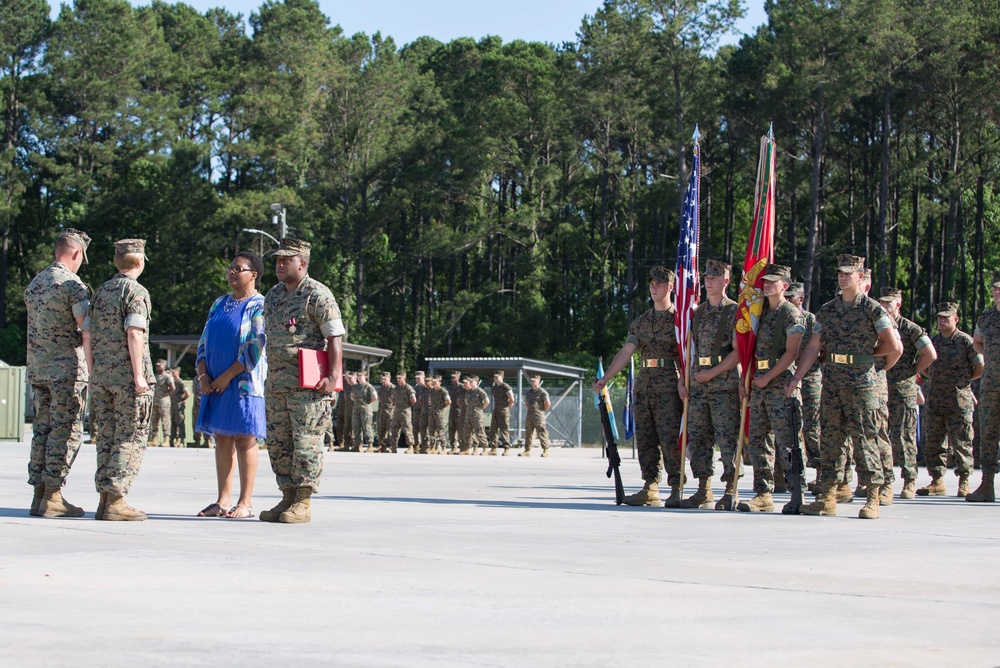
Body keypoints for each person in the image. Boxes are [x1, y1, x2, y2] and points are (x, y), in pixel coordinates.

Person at [790, 255, 902, 519]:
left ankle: (873, 496)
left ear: (860, 277)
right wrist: (797, 377)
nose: (842, 277)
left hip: (862, 384)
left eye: (848, 273)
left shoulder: (872, 309)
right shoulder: (828, 310)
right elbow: (814, 346)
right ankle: (827, 495)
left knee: (865, 439)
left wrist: (871, 359)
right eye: (840, 273)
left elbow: (895, 347)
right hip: (833, 383)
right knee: (831, 440)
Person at [261, 239, 343, 523]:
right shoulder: (272, 295)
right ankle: (287, 496)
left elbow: (334, 336)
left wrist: (333, 376)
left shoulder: (316, 294)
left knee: (306, 442)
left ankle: (303, 501)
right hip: (276, 384)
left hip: (307, 386)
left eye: (286, 260)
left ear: (303, 263)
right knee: (279, 443)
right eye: (277, 260)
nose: (279, 265)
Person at [595, 266, 682, 504]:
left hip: (670, 385)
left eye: (660, 283)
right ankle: (650, 487)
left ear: (671, 287)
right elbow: (626, 351)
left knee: (670, 438)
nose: (655, 287)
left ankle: (676, 487)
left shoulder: (680, 320)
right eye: (652, 283)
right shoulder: (641, 322)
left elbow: (688, 354)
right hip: (644, 386)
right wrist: (606, 378)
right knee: (646, 438)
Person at [24, 228, 93, 518]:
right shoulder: (72, 285)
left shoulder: (35, 283)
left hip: (38, 370)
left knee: (42, 430)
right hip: (66, 370)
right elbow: (86, 327)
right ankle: (53, 495)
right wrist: (94, 368)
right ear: (76, 253)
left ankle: (39, 494)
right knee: (66, 431)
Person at [87, 238, 155, 521]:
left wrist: (93, 372)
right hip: (128, 379)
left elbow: (87, 335)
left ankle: (105, 499)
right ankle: (115, 499)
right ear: (139, 262)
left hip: (102, 376)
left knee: (107, 437)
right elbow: (135, 332)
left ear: (117, 262)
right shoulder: (135, 291)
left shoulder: (101, 292)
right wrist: (139, 375)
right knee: (130, 436)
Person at [195, 251, 267, 519]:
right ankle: (222, 500)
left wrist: (227, 376)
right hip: (213, 383)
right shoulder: (219, 303)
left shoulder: (259, 304)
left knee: (245, 438)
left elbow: (257, 344)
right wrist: (203, 375)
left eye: (239, 269)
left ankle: (245, 502)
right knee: (222, 438)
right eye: (231, 268)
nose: (232, 272)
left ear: (254, 275)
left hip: (242, 384)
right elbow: (203, 342)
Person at [737, 265, 805, 513]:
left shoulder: (791, 315)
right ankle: (763, 493)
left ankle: (796, 490)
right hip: (759, 382)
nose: (766, 285)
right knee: (757, 440)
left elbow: (792, 352)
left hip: (779, 382)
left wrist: (768, 378)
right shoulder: (759, 313)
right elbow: (749, 349)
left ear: (785, 286)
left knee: (787, 439)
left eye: (772, 281)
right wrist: (746, 378)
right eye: (764, 281)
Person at [677, 259, 741, 510]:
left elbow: (738, 353)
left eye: (715, 277)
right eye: (707, 277)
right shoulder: (698, 312)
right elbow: (688, 350)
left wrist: (713, 373)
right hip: (698, 385)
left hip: (723, 383)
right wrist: (684, 380)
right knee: (700, 437)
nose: (708, 281)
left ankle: (730, 489)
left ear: (726, 281)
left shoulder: (735, 311)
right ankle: (704, 488)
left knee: (727, 438)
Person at [918, 302, 982, 497]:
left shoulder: (965, 342)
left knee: (961, 442)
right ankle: (937, 481)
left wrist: (963, 381)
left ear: (956, 319)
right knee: (934, 442)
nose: (942, 320)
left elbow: (979, 367)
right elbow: (925, 366)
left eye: (946, 317)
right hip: (936, 399)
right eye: (939, 317)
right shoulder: (933, 341)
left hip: (958, 400)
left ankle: (964, 481)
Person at [878, 288, 936, 499]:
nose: (884, 307)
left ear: (898, 305)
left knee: (904, 436)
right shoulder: (877, 326)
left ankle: (909, 480)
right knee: (879, 435)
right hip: (879, 388)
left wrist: (912, 370)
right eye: (881, 303)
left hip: (903, 390)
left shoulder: (909, 328)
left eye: (888, 303)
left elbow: (930, 353)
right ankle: (882, 481)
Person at [785, 282, 823, 491]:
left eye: (792, 297)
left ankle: (818, 471)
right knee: (789, 426)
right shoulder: (784, 318)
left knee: (811, 427)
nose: (788, 300)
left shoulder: (811, 320)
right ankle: (786, 471)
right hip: (788, 376)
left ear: (800, 299)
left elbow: (821, 349)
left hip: (809, 380)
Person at [970, 271, 1000, 502]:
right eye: (995, 289)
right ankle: (987, 485)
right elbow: (977, 342)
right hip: (991, 384)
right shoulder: (987, 316)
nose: (997, 292)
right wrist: (989, 356)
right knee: (988, 433)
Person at [520, 374, 552, 457]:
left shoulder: (542, 392)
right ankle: (527, 450)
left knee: (542, 432)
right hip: (530, 415)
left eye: (534, 381)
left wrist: (541, 410)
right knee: (528, 433)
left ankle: (545, 450)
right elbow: (526, 403)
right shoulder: (529, 392)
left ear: (538, 381)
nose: (532, 382)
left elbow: (548, 403)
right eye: (531, 381)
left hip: (539, 416)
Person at [390, 371, 417, 453]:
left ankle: (411, 446)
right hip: (396, 412)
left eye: (400, 378)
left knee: (407, 429)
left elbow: (414, 400)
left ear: (404, 378)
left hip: (405, 412)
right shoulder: (395, 389)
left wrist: (406, 405)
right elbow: (392, 399)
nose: (398, 380)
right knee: (394, 429)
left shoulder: (408, 388)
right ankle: (393, 447)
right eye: (397, 378)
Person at [149, 359, 174, 446]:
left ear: (164, 366)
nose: (157, 367)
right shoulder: (155, 376)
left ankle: (166, 440)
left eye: (159, 365)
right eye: (156, 365)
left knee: (165, 420)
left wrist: (166, 394)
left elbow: (172, 388)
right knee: (154, 420)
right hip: (155, 401)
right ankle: (154, 439)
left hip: (164, 401)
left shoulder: (167, 376)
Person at [489, 371, 515, 456]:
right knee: (493, 430)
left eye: (497, 377)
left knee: (504, 430)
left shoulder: (505, 387)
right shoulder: (494, 387)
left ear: (502, 377)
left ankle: (506, 448)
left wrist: (508, 405)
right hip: (496, 410)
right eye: (495, 377)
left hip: (503, 411)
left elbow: (511, 398)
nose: (495, 378)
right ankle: (493, 449)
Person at [463, 375, 490, 455]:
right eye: (470, 381)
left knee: (479, 432)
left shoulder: (480, 391)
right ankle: (468, 448)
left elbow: (487, 401)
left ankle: (485, 448)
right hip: (469, 414)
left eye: (472, 381)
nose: (470, 383)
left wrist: (480, 408)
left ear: (477, 382)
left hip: (477, 415)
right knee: (467, 432)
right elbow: (466, 402)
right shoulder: (468, 392)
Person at [351, 371, 377, 453]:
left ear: (365, 377)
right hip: (356, 409)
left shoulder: (369, 386)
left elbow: (375, 397)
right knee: (356, 427)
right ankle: (358, 445)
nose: (359, 378)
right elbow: (352, 397)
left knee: (367, 426)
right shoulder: (355, 387)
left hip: (366, 409)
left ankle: (370, 445)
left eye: (361, 376)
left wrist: (367, 402)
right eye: (358, 376)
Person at [427, 375, 452, 454]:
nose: (433, 383)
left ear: (439, 383)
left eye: (435, 382)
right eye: (433, 382)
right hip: (432, 412)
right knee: (431, 430)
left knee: (440, 430)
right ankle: (433, 447)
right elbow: (430, 400)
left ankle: (443, 447)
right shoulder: (431, 391)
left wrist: (442, 407)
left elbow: (449, 401)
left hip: (439, 413)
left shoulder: (443, 391)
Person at [169, 367, 189, 448]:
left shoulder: (180, 382)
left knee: (180, 422)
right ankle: (172, 439)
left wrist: (182, 400)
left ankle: (181, 440)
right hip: (172, 405)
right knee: (173, 422)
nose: (172, 373)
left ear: (178, 372)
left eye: (173, 372)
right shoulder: (172, 382)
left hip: (179, 406)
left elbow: (187, 393)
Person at [448, 371, 466, 454]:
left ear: (458, 378)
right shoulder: (451, 387)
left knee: (460, 429)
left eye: (454, 377)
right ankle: (453, 447)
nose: (452, 379)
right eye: (452, 377)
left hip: (459, 410)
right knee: (451, 429)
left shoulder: (462, 387)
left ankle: (462, 447)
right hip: (452, 410)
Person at [376, 372, 394, 452]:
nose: (383, 381)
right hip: (382, 411)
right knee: (381, 430)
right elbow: (379, 400)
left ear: (389, 379)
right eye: (382, 379)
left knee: (391, 430)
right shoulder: (380, 389)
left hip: (391, 412)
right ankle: (381, 446)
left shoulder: (394, 388)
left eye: (385, 379)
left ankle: (392, 446)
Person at [413, 371, 428, 453]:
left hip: (424, 411)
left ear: (423, 377)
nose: (417, 380)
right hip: (416, 411)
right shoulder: (415, 388)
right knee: (415, 429)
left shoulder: (427, 388)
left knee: (424, 429)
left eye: (419, 378)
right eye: (416, 378)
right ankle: (416, 445)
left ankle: (425, 446)